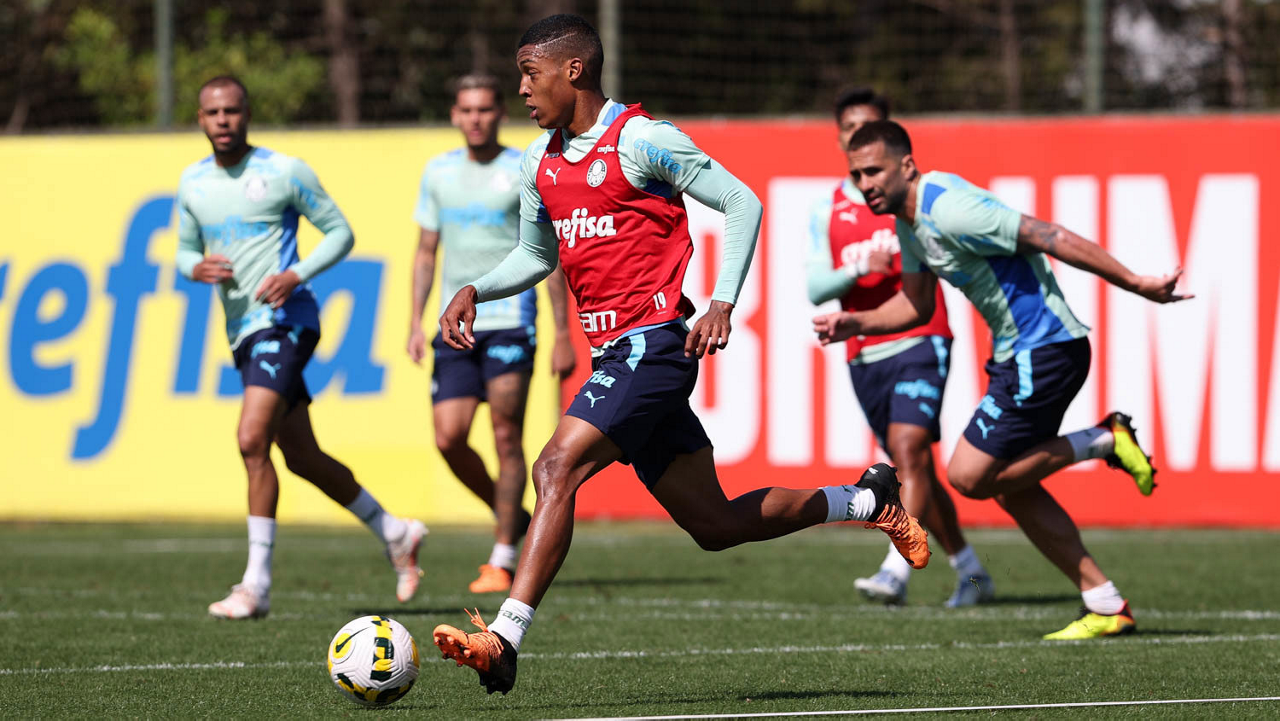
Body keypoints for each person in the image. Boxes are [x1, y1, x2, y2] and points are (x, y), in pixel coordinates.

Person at [430, 15, 930, 695]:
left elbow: (741, 201)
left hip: (653, 345)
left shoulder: (642, 139)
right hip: (615, 355)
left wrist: (722, 300)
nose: (521, 88)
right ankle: (867, 500)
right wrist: (475, 288)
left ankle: (505, 638)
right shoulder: (538, 160)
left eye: (528, 72)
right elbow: (535, 255)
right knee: (715, 525)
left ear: (573, 70)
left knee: (554, 467)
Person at [816, 120, 1191, 639]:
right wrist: (856, 322)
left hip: (1044, 350)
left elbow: (1050, 236)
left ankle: (1105, 439)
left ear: (907, 165)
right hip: (1023, 355)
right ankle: (1105, 602)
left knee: (969, 475)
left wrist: (1136, 282)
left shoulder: (949, 208)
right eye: (857, 175)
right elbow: (916, 305)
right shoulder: (907, 222)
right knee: (1012, 485)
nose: (865, 184)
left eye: (874, 171)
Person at [176, 76, 426, 620]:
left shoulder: (284, 171)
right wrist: (194, 267)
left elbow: (340, 233)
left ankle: (256, 586)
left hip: (286, 321)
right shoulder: (192, 182)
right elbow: (183, 250)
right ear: (200, 118)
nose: (223, 120)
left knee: (251, 439)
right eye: (213, 112)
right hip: (243, 331)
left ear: (247, 113)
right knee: (301, 457)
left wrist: (295, 274)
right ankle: (394, 531)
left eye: (232, 110)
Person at [807, 89, 993, 608]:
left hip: (919, 336)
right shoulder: (829, 207)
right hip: (863, 350)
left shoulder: (910, 199)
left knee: (908, 451)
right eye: (850, 129)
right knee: (916, 469)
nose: (858, 137)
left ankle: (894, 572)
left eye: (868, 127)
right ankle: (972, 571)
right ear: (841, 138)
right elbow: (815, 287)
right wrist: (856, 270)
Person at [408, 75, 576, 594]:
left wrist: (562, 333)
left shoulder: (523, 166)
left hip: (509, 322)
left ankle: (501, 556)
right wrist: (414, 321)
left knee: (506, 436)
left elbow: (546, 256)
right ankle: (510, 515)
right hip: (454, 325)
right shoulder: (438, 173)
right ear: (454, 115)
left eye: (484, 109)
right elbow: (426, 251)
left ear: (499, 113)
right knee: (449, 437)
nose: (475, 118)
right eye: (467, 110)